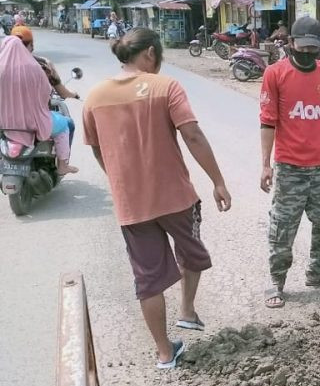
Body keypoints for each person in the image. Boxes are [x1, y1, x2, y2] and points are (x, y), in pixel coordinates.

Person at [83, 28, 232, 368]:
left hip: (132, 206)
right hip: (176, 197)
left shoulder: (94, 97)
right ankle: (188, 310)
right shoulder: (166, 87)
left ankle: (165, 353)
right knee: (191, 252)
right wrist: (218, 181)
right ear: (150, 53)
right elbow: (192, 135)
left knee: (148, 279)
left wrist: (122, 181)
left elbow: (97, 150)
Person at [260, 16, 320, 309]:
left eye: (314, 49)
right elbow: (268, 122)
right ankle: (276, 281)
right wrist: (265, 164)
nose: (309, 54)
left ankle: (316, 272)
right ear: (290, 44)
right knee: (283, 227)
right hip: (289, 167)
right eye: (303, 48)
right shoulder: (275, 74)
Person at [0, 36, 77, 175]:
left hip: (5, 124)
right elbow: (46, 94)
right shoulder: (37, 67)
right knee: (65, 125)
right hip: (33, 122)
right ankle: (62, 165)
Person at [11, 26, 79, 148]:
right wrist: (73, 94)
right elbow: (62, 92)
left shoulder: (3, 63)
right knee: (69, 124)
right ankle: (63, 164)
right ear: (31, 45)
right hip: (36, 121)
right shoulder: (43, 64)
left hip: (7, 122)